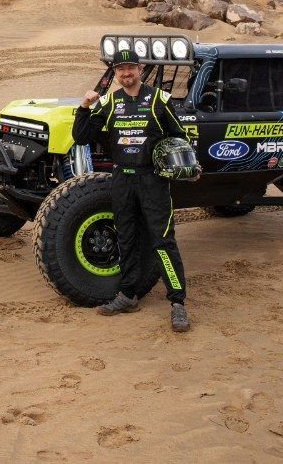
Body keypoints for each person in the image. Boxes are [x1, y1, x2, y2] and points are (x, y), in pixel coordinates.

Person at [72, 47, 193, 333]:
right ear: (115, 74)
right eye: (120, 69)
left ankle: (178, 303)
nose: (126, 73)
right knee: (126, 239)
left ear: (140, 70)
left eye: (131, 68)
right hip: (122, 180)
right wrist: (84, 107)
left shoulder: (158, 100)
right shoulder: (109, 103)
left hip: (152, 181)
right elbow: (82, 136)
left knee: (162, 241)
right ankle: (127, 296)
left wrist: (189, 167)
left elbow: (180, 137)